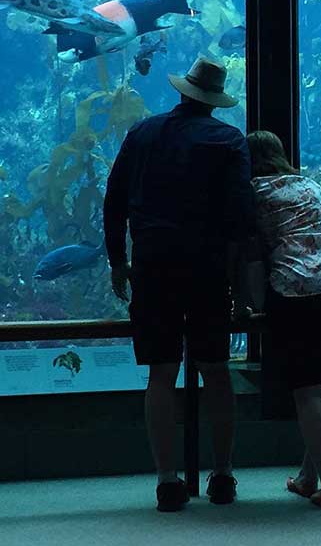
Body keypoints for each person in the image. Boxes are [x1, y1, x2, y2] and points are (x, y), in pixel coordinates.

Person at [104, 57, 253, 512]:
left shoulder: (143, 133)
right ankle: (223, 474)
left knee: (161, 373)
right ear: (213, 100)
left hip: (153, 266)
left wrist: (118, 261)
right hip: (207, 271)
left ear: (183, 92)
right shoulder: (228, 141)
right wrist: (242, 286)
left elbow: (114, 200)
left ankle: (167, 480)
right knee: (215, 370)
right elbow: (240, 218)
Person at [244, 130, 321, 511]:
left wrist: (255, 304)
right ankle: (308, 477)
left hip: (302, 292)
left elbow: (252, 257)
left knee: (310, 393)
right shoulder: (310, 185)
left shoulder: (252, 193)